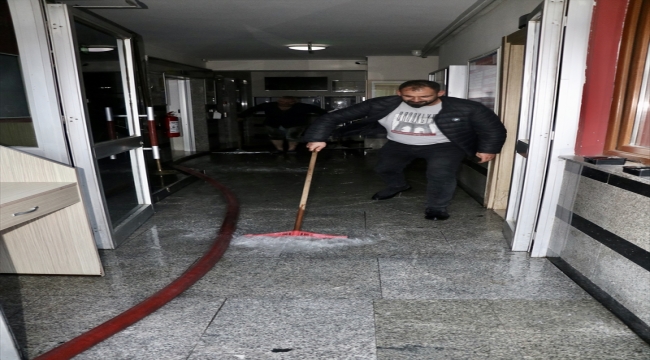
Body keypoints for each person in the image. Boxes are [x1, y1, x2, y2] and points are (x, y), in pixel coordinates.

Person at [303, 80, 506, 221]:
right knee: (384, 168)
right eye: (409, 97)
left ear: (440, 94)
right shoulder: (383, 103)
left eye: (424, 97)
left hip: (444, 145)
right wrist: (317, 137)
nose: (416, 101)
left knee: (441, 174)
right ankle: (397, 185)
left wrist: (488, 149)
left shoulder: (466, 107)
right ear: (399, 93)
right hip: (398, 144)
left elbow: (492, 128)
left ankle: (437, 208)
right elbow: (333, 117)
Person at [238, 96, 328, 153]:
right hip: (273, 124)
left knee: (292, 136)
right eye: (281, 101)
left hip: (295, 124)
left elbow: (319, 110)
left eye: (287, 102)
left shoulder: (302, 106)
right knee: (275, 136)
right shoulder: (269, 105)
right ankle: (279, 149)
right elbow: (253, 109)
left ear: (293, 102)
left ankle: (291, 150)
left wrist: (328, 117)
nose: (284, 103)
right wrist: (242, 116)